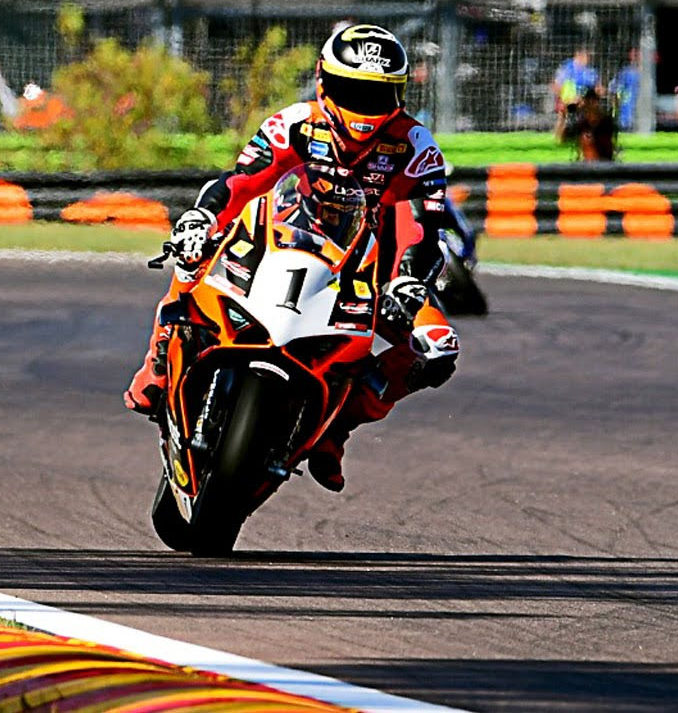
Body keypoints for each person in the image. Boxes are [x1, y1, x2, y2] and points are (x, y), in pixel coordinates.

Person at [124, 24, 459, 493]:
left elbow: (428, 229)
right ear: (324, 81)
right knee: (194, 249)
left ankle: (336, 431)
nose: (363, 107)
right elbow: (239, 181)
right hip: (280, 236)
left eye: (376, 95)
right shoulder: (294, 123)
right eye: (352, 90)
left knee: (439, 347)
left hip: (370, 270)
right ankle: (159, 359)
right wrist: (200, 219)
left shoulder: (416, 148)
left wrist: (409, 280)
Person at [556, 88, 617, 162]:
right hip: (587, 166)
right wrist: (562, 115)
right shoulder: (582, 124)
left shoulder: (605, 122)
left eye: (593, 101)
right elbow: (561, 139)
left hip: (603, 166)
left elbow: (606, 146)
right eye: (587, 101)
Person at [608, 48, 641, 131]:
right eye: (634, 55)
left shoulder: (647, 73)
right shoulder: (625, 72)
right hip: (627, 112)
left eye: (637, 54)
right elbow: (613, 88)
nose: (636, 57)